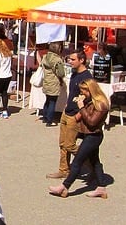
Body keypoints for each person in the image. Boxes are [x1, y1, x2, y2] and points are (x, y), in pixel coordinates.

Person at [49, 79, 109, 198]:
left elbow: (92, 122)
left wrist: (81, 108)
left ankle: (64, 187)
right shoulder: (90, 101)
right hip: (89, 135)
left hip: (94, 136)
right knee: (95, 162)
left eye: (84, 91)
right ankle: (101, 187)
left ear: (91, 90)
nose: (82, 94)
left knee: (77, 162)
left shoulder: (101, 104)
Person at [46, 49, 93, 179]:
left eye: (73, 59)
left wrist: (80, 113)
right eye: (69, 59)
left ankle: (92, 164)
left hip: (76, 115)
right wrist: (67, 105)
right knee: (62, 144)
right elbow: (73, 93)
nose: (69, 62)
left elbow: (89, 98)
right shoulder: (74, 74)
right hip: (67, 112)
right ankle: (64, 169)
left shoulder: (87, 77)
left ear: (81, 60)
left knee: (70, 144)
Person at [41, 42, 66, 127]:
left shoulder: (45, 57)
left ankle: (44, 117)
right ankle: (49, 120)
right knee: (52, 101)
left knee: (47, 100)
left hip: (46, 81)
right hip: (54, 82)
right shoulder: (57, 60)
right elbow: (61, 73)